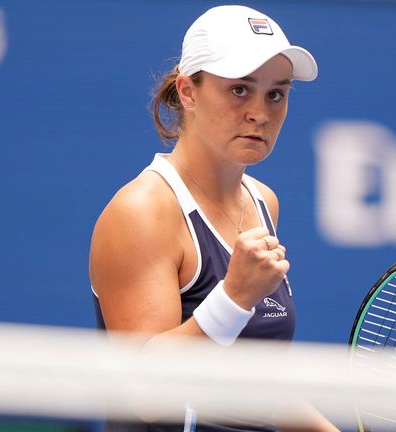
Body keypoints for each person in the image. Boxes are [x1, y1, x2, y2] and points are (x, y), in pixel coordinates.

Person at [89, 5, 336, 432]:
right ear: (187, 92)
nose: (261, 112)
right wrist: (234, 297)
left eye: (277, 93)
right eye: (240, 89)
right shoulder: (142, 212)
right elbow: (146, 395)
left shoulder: (264, 203)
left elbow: (259, 387)